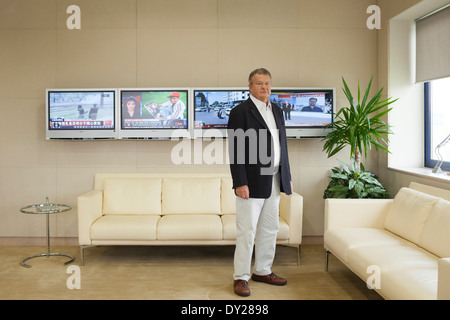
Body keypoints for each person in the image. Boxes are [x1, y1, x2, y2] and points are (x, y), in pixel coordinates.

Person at [227, 68, 293, 297]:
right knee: (246, 231)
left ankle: (263, 270)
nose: (264, 87)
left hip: (275, 179)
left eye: (267, 83)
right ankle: (241, 277)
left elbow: (281, 146)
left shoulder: (276, 110)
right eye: (259, 83)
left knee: (270, 228)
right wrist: (240, 182)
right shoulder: (240, 112)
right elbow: (235, 151)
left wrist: (287, 177)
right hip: (251, 182)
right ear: (250, 87)